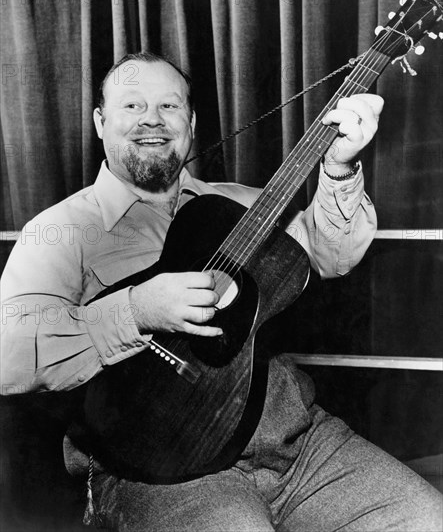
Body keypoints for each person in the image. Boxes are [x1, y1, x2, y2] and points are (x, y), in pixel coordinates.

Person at [1, 51, 442, 532]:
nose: (152, 118)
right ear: (100, 121)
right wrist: (136, 310)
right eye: (132, 106)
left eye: (169, 106)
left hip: (296, 447)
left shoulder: (241, 205)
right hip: (162, 473)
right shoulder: (60, 230)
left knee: (425, 517)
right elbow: (10, 355)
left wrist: (337, 167)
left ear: (190, 122)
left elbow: (329, 254)